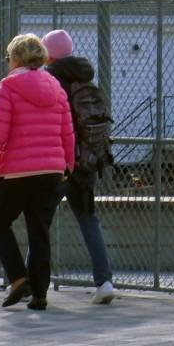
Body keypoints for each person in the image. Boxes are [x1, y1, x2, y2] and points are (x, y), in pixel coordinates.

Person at [0, 33, 74, 310]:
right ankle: (40, 294)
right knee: (39, 231)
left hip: (16, 172)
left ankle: (18, 278)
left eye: (8, 58)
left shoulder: (8, 87)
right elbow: (67, 132)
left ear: (16, 58)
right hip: (51, 171)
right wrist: (67, 164)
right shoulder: (56, 87)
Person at [43, 29, 117, 304]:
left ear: (49, 53)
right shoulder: (85, 78)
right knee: (88, 220)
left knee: (41, 221)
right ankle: (105, 281)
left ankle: (32, 279)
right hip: (86, 162)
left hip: (59, 161)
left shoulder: (50, 81)